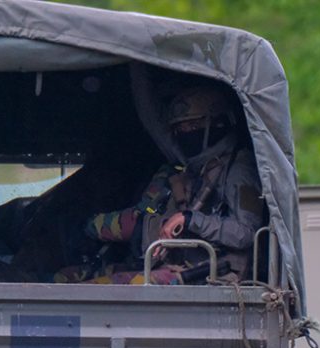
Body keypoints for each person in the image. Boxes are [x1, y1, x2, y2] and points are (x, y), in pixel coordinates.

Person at [56, 84, 264, 285]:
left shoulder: (239, 170)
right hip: (178, 263)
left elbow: (246, 232)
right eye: (180, 129)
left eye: (193, 126)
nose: (186, 134)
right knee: (68, 277)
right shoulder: (202, 165)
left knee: (100, 287)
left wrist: (190, 219)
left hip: (211, 274)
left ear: (218, 124)